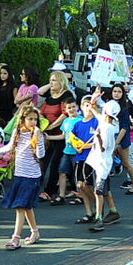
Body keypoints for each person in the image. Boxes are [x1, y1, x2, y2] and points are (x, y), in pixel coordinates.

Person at [0, 106, 45, 249]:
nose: (33, 122)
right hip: (19, 174)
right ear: (23, 119)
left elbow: (41, 155)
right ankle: (35, 232)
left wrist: (37, 137)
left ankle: (15, 238)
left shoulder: (37, 135)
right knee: (26, 207)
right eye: (30, 119)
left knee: (20, 206)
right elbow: (10, 147)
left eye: (35, 119)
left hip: (32, 176)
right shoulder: (17, 132)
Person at [36, 65, 76, 201]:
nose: (51, 83)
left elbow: (65, 113)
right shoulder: (50, 95)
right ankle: (76, 187)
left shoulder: (66, 95)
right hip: (48, 134)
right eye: (50, 80)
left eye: (54, 80)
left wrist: (53, 125)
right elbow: (40, 92)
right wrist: (51, 84)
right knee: (48, 161)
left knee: (55, 162)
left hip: (61, 134)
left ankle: (49, 191)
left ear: (61, 81)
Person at [85, 98, 122, 231]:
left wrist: (98, 137)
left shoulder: (106, 129)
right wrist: (94, 99)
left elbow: (102, 148)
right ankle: (113, 212)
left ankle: (98, 218)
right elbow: (95, 111)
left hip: (102, 164)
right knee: (105, 190)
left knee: (98, 191)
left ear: (105, 112)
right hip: (101, 162)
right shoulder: (107, 123)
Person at [69, 94, 101, 227]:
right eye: (86, 105)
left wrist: (86, 145)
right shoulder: (77, 124)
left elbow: (98, 140)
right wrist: (77, 146)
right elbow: (72, 139)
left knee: (88, 184)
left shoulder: (96, 122)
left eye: (90, 105)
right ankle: (89, 212)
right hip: (80, 157)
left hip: (92, 157)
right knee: (80, 185)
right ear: (81, 107)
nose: (88, 108)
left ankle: (98, 206)